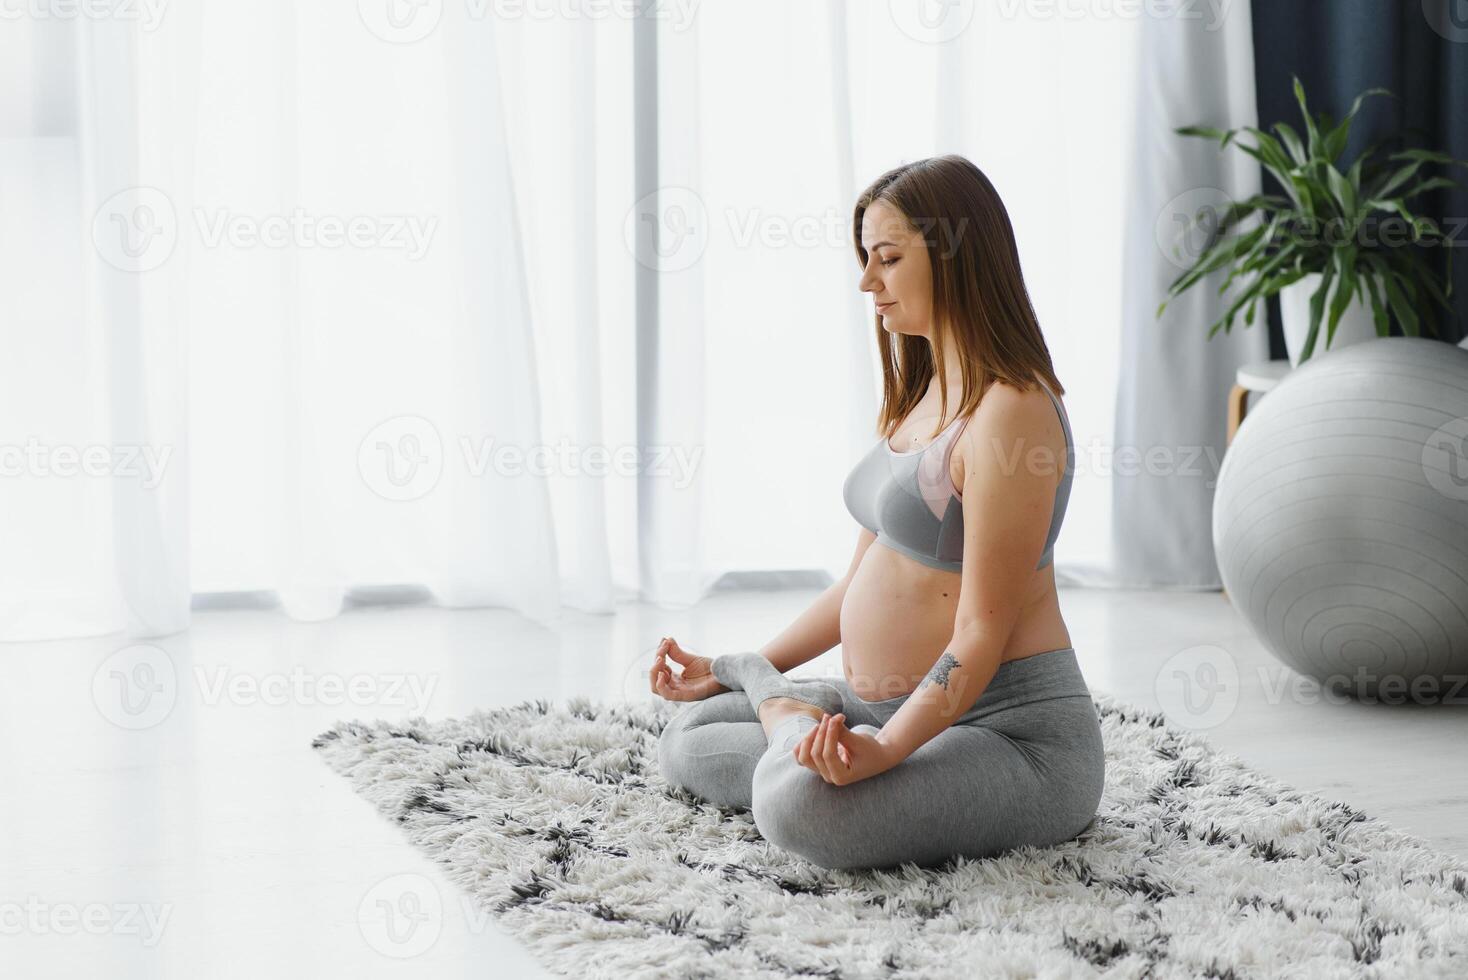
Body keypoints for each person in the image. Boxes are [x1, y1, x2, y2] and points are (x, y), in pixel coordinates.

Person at [651, 154, 1105, 871]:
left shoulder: (1012, 412)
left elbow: (983, 626)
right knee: (689, 736)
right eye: (866, 259)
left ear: (958, 259)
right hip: (884, 705)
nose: (868, 282)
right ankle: (780, 703)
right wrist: (751, 667)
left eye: (887, 259)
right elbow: (855, 587)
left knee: (800, 808)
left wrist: (889, 750)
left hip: (1008, 733)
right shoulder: (922, 394)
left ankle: (783, 709)